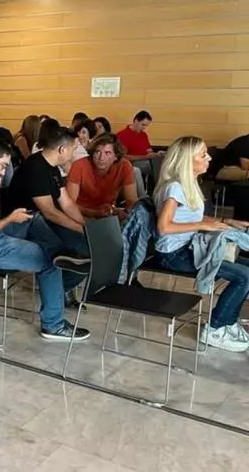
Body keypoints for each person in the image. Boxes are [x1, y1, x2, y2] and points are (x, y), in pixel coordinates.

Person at [0, 135, 90, 341]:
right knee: (51, 261)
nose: (3, 172)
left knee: (31, 220)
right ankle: (54, 324)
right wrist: (9, 219)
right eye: (3, 166)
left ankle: (61, 263)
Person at [154, 136, 249, 352]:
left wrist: (225, 221)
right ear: (187, 160)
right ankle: (215, 329)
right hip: (174, 255)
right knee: (244, 276)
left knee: (247, 270)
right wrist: (203, 225)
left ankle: (228, 322)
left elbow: (190, 217)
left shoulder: (188, 184)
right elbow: (164, 227)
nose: (209, 158)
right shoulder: (174, 188)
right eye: (203, 155)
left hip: (188, 246)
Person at [5, 126, 88, 257]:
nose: (73, 155)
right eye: (73, 149)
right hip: (22, 222)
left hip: (39, 218)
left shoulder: (53, 168)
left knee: (80, 241)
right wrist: (80, 229)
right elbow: (49, 212)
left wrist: (84, 225)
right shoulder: (35, 168)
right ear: (62, 149)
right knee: (63, 249)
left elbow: (67, 203)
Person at [66, 132, 139, 220]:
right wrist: (93, 213)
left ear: (116, 156)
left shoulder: (124, 166)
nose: (101, 158)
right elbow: (69, 205)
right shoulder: (79, 165)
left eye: (107, 153)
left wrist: (125, 212)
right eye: (97, 152)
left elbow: (132, 201)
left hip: (109, 213)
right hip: (81, 213)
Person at [117, 110, 163, 187]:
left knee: (162, 163)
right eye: (143, 125)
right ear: (136, 121)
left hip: (147, 160)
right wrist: (145, 157)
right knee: (158, 167)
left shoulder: (143, 135)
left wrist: (156, 154)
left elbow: (149, 151)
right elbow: (123, 157)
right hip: (134, 162)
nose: (144, 128)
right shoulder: (122, 135)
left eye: (146, 126)